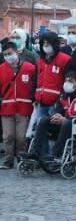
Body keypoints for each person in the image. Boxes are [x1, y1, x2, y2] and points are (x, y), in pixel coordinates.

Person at [23, 71, 76, 166]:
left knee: (66, 122)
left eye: (70, 81)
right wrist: (56, 116)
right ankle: (35, 152)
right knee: (44, 119)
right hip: (63, 125)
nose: (67, 83)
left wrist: (66, 119)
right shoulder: (63, 96)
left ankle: (55, 153)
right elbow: (58, 110)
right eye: (66, 81)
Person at [0, 41, 36, 169]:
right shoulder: (1, 69)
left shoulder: (30, 68)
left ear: (17, 52)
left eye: (10, 53)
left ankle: (22, 160)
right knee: (8, 136)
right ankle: (8, 161)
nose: (8, 56)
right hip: (6, 108)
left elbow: (35, 86)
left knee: (21, 137)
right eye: (5, 54)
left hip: (24, 108)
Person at [35, 31, 71, 118]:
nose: (45, 45)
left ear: (54, 43)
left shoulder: (65, 59)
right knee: (40, 128)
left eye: (48, 42)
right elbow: (35, 80)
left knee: (53, 129)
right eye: (43, 43)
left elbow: (68, 81)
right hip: (41, 102)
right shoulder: (40, 60)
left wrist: (61, 100)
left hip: (56, 103)